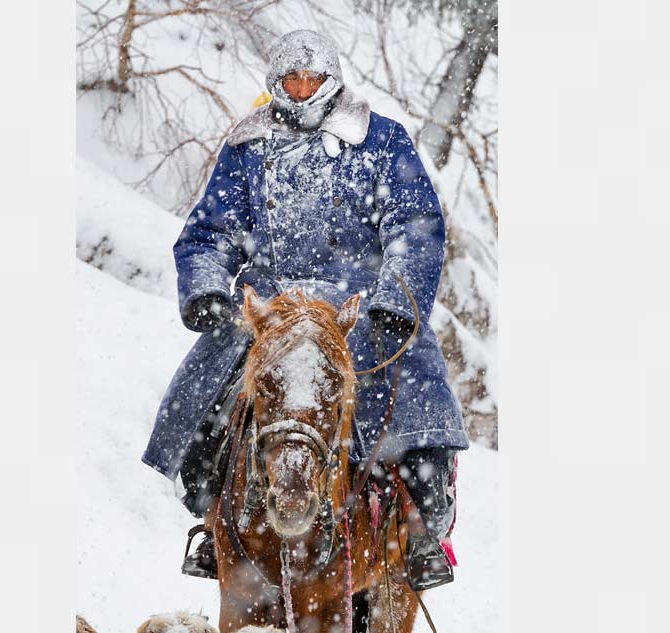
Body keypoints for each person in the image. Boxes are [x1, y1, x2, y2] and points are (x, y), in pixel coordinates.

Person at [140, 29, 469, 592]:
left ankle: (419, 532)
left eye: (310, 78)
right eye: (290, 79)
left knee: (416, 412)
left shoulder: (381, 140)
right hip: (270, 307)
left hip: (361, 308)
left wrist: (395, 299)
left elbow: (416, 230)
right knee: (205, 407)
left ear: (331, 80)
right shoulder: (248, 148)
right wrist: (208, 290)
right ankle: (211, 520)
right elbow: (210, 233)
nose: (299, 88)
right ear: (275, 82)